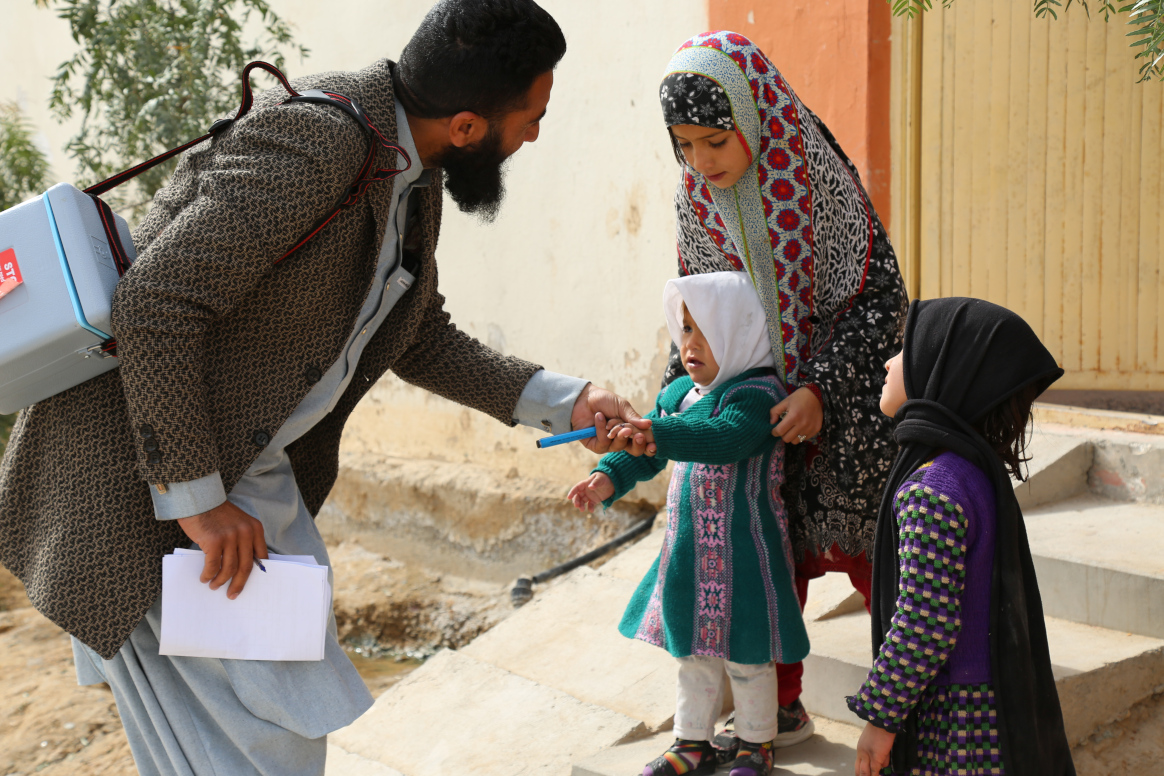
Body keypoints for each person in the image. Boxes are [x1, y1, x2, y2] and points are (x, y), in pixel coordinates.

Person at [0, 2, 652, 774]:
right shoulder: (322, 142)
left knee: (267, 742)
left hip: (246, 488)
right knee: (254, 751)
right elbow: (156, 304)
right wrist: (198, 502)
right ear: (470, 125)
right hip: (147, 489)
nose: (535, 135)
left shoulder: (408, 166)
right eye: (532, 116)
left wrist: (565, 400)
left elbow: (416, 333)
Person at [655, 30, 909, 748]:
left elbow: (879, 298)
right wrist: (670, 402)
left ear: (752, 114)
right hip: (752, 411)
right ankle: (779, 709)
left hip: (848, 406)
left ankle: (907, 706)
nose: (702, 164)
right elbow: (695, 310)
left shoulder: (815, 175)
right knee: (763, 557)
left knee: (876, 562)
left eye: (715, 141)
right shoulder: (694, 202)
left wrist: (820, 391)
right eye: (685, 146)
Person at [569, 272, 810, 776]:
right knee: (693, 657)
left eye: (704, 332)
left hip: (746, 554)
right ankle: (690, 743)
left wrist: (657, 430)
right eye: (684, 329)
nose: (689, 344)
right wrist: (606, 477)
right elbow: (646, 456)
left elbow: (721, 438)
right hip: (689, 554)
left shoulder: (758, 395)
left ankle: (755, 744)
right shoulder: (681, 392)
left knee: (748, 657)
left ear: (739, 331)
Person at [847, 297, 1076, 776]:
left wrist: (881, 719)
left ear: (941, 371)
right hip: (992, 705)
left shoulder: (933, 489)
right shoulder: (972, 471)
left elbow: (924, 621)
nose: (889, 363)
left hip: (956, 727)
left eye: (905, 350)